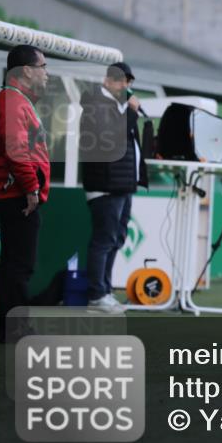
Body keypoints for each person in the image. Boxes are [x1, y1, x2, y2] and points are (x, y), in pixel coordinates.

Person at [0, 45, 51, 343]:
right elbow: (16, 150)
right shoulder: (13, 101)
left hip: (13, 192)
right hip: (18, 195)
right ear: (27, 70)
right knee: (19, 265)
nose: (46, 73)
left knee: (14, 263)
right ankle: (11, 328)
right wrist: (31, 189)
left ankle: (5, 327)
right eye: (43, 66)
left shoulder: (14, 100)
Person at [79, 62, 149, 314]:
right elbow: (110, 138)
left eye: (128, 82)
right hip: (105, 185)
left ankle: (105, 292)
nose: (125, 86)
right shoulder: (95, 103)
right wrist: (130, 113)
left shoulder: (115, 105)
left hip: (121, 185)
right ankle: (96, 295)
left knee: (116, 238)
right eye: (121, 80)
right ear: (108, 80)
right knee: (104, 240)